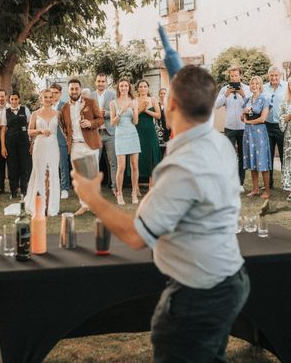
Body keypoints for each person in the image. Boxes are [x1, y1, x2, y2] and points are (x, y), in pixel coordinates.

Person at [71, 65, 249, 362]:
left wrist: (93, 198)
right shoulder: (219, 143)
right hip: (231, 279)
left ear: (172, 105)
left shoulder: (181, 164)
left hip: (198, 293)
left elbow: (136, 235)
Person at [59, 78, 104, 216]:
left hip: (90, 145)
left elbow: (100, 119)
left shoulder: (90, 102)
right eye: (71, 89)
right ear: (68, 91)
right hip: (75, 147)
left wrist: (90, 123)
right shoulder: (65, 108)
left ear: (80, 89)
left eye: (76, 89)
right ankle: (84, 205)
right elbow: (64, 126)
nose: (74, 91)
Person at [215, 65, 251, 192]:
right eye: (232, 76)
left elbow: (252, 107)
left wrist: (244, 95)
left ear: (240, 75)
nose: (234, 78)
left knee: (242, 156)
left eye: (236, 75)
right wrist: (225, 95)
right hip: (229, 127)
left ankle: (240, 183)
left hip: (243, 127)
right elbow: (216, 105)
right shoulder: (225, 89)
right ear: (229, 76)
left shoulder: (247, 88)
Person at [24, 89, 60, 216]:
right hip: (40, 146)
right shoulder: (35, 113)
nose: (48, 99)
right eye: (46, 97)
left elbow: (66, 129)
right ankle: (40, 205)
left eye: (51, 97)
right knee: (41, 174)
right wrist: (40, 131)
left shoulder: (58, 113)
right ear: (41, 98)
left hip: (53, 147)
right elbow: (29, 131)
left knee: (52, 174)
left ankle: (51, 205)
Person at [110, 78, 141, 205]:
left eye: (126, 86)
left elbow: (136, 122)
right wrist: (122, 110)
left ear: (129, 88)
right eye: (121, 86)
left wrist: (134, 110)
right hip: (120, 134)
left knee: (134, 165)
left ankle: (134, 192)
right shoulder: (113, 103)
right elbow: (113, 123)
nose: (124, 88)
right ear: (119, 88)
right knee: (121, 167)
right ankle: (119, 194)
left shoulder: (134, 101)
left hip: (133, 133)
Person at [241, 76, 271, 199]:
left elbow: (263, 118)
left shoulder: (264, 99)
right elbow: (241, 118)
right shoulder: (247, 100)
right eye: (252, 83)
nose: (254, 85)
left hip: (259, 133)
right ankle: (255, 189)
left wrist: (248, 122)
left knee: (262, 160)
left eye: (256, 83)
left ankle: (267, 191)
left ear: (260, 85)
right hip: (248, 134)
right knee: (252, 160)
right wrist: (244, 112)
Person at [1, 90, 32, 200]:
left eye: (16, 99)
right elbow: (3, 130)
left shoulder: (25, 110)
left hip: (24, 142)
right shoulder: (6, 111)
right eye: (12, 99)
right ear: (9, 100)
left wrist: (31, 143)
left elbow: (30, 126)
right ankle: (13, 191)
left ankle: (24, 190)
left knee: (24, 166)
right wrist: (3, 147)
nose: (14, 101)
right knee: (12, 167)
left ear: (19, 100)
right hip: (10, 143)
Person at [92, 73, 117, 194]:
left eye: (103, 81)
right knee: (94, 162)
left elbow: (117, 111)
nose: (101, 83)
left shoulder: (112, 95)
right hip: (96, 133)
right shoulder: (91, 96)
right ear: (95, 82)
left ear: (106, 83)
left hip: (110, 132)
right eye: (99, 81)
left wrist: (106, 113)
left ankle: (114, 186)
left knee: (113, 162)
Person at [263, 66, 288, 189]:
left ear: (280, 75)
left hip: (282, 125)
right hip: (267, 125)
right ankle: (269, 183)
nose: (274, 78)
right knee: (268, 155)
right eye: (271, 76)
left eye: (276, 75)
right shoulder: (264, 88)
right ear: (269, 76)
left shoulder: (287, 86)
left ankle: (286, 182)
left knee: (284, 155)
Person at [135, 80, 162, 186]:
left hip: (150, 132)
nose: (143, 88)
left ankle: (151, 184)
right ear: (138, 89)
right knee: (138, 157)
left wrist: (146, 110)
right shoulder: (135, 100)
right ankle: (136, 186)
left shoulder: (153, 99)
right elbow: (133, 117)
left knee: (152, 156)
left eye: (145, 86)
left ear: (148, 88)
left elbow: (159, 116)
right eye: (141, 86)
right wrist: (140, 109)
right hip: (138, 131)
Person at [50, 82, 70, 199]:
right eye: (52, 93)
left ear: (60, 93)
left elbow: (68, 125)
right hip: (49, 140)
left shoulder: (64, 106)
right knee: (51, 165)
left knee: (63, 165)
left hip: (61, 140)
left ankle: (64, 188)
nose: (54, 95)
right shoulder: (46, 106)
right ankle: (54, 187)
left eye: (56, 93)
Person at [0, 89, 10, 195]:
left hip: (10, 138)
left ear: (6, 96)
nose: (1, 98)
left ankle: (14, 186)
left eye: (2, 96)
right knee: (0, 164)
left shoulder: (11, 108)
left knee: (12, 162)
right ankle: (0, 187)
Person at [156, 88, 170, 157]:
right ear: (159, 95)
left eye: (164, 93)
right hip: (158, 129)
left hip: (168, 130)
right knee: (159, 150)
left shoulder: (170, 105)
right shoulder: (156, 105)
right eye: (161, 93)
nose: (162, 95)